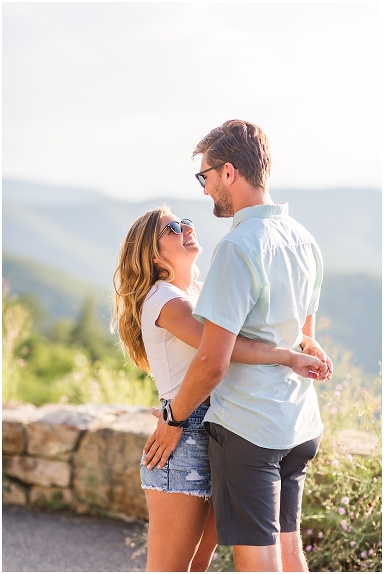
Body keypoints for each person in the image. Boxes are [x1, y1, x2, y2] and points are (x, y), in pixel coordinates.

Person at [143, 120, 332, 572]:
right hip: (301, 423)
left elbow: (212, 361)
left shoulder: (237, 247)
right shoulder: (305, 240)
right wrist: (300, 352)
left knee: (260, 561)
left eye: (204, 177)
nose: (205, 190)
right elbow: (304, 333)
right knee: (290, 551)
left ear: (228, 172)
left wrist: (173, 420)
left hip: (252, 427)